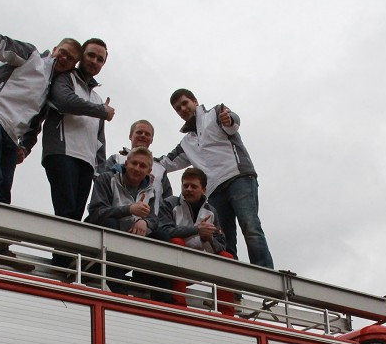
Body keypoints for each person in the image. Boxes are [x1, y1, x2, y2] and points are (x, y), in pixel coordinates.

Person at [0, 9, 79, 212]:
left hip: (10, 136)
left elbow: (35, 125)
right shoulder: (32, 56)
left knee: (4, 190)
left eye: (70, 59)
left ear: (73, 66)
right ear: (55, 49)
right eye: (63, 52)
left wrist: (25, 147)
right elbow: (4, 46)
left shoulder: (49, 91)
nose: (64, 58)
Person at [160, 89, 274, 269]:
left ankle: (268, 279)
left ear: (194, 101)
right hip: (213, 189)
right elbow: (165, 163)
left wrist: (230, 118)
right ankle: (231, 290)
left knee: (250, 226)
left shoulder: (214, 114)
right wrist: (136, 156)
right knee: (224, 238)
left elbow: (232, 121)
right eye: (178, 108)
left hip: (238, 177)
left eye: (184, 103)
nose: (183, 109)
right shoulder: (186, 143)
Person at [41, 39, 114, 224]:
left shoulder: (98, 98)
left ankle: (65, 253)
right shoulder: (65, 78)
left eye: (100, 59)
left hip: (87, 162)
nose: (94, 61)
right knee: (65, 211)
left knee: (75, 217)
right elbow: (65, 101)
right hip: (62, 152)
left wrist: (100, 172)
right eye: (91, 55)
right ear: (81, 56)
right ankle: (61, 254)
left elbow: (100, 141)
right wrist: (101, 111)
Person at [85, 147, 172, 301]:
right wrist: (129, 210)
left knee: (162, 237)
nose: (137, 168)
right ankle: (117, 289)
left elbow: (155, 219)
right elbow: (96, 211)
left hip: (131, 241)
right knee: (110, 223)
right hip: (102, 241)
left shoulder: (151, 190)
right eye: (134, 163)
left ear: (149, 170)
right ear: (126, 163)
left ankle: (162, 298)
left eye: (143, 166)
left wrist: (144, 221)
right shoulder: (107, 178)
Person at [101, 120, 173, 215]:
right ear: (130, 136)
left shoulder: (160, 170)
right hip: (115, 222)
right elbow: (102, 187)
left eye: (147, 134)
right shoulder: (116, 159)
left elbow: (167, 202)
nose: (143, 135)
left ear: (151, 140)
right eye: (139, 132)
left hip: (148, 226)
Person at [157, 168, 226, 255]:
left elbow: (222, 246)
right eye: (185, 186)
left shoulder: (211, 212)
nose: (189, 189)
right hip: (172, 255)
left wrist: (208, 238)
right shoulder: (169, 203)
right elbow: (163, 231)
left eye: (193, 186)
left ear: (203, 190)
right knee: (177, 241)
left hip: (201, 258)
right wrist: (197, 229)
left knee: (227, 255)